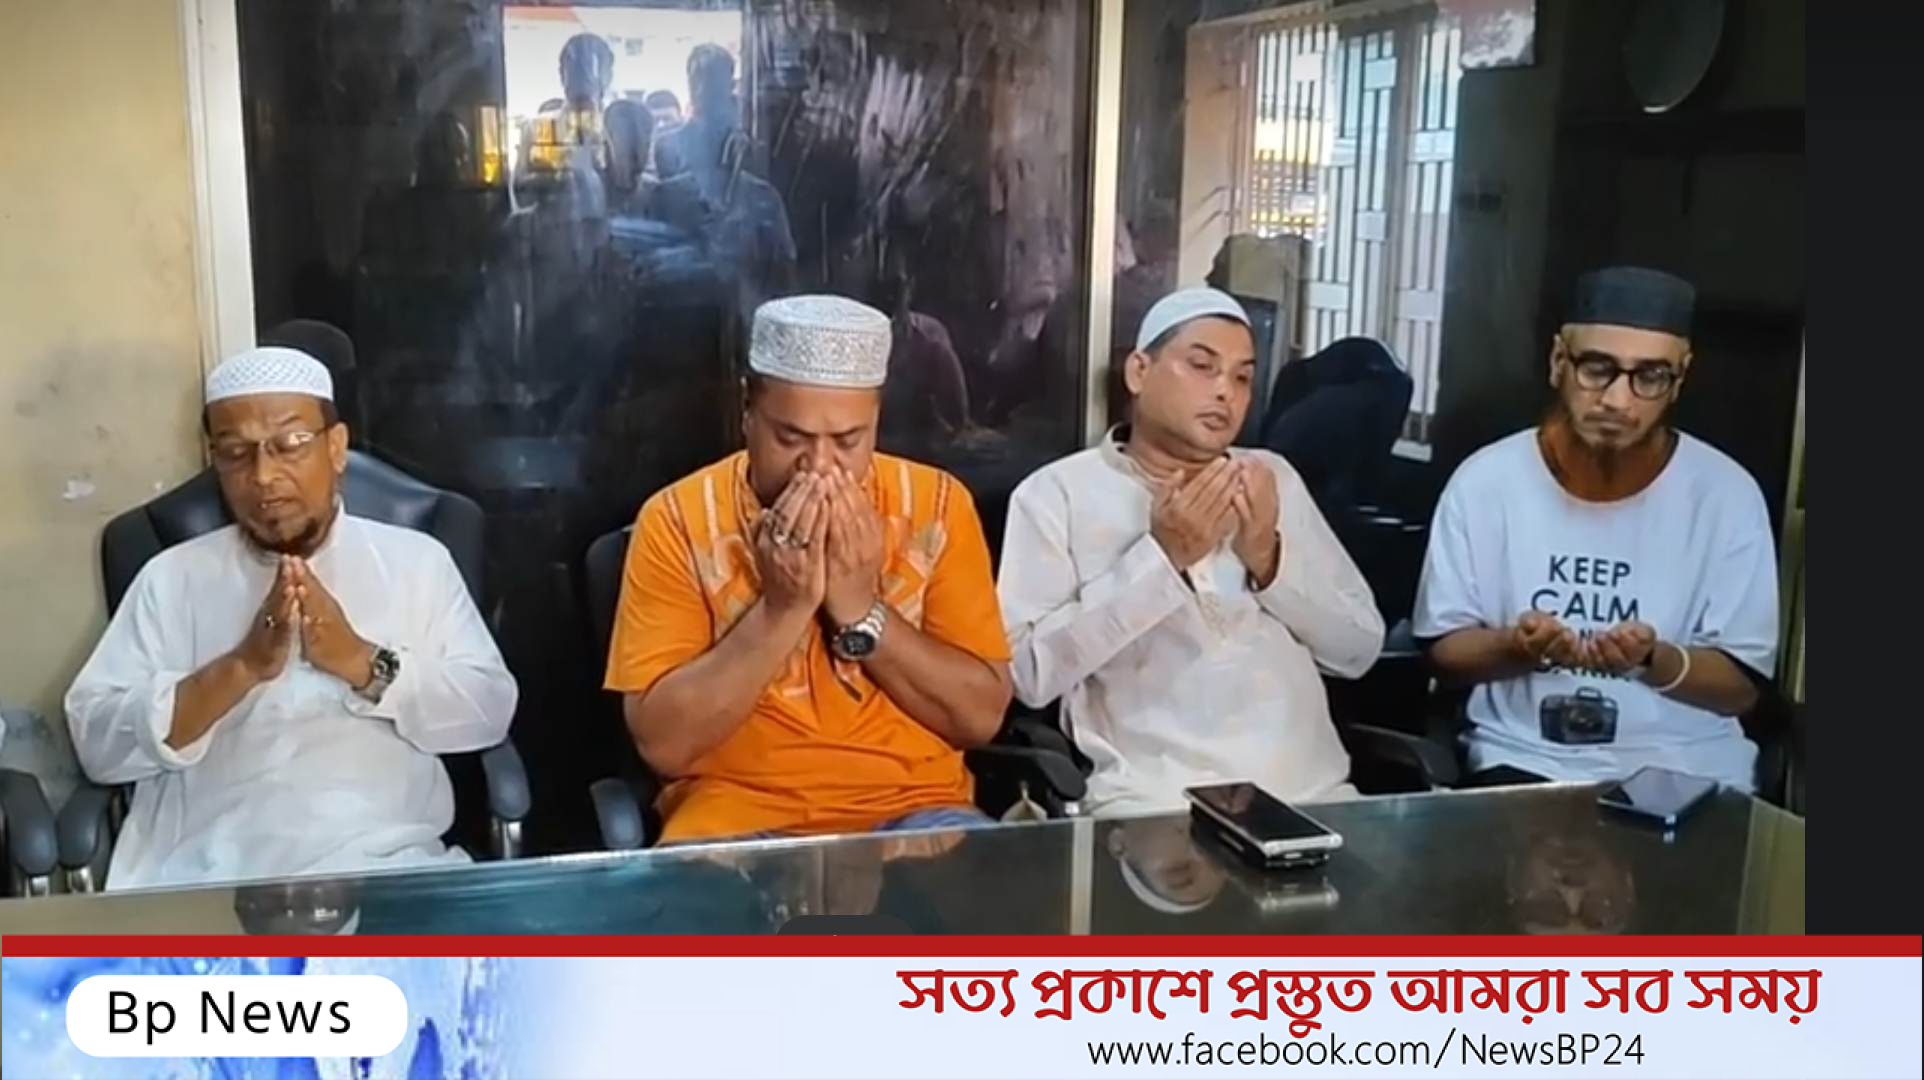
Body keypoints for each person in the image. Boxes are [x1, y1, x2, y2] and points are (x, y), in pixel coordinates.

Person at [64, 347, 518, 889]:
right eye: (236, 453)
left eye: (290, 444)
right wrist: (239, 668)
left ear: (336, 447)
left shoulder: (416, 562)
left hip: (387, 868)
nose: (263, 475)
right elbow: (97, 744)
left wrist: (362, 661)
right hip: (205, 875)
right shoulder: (172, 577)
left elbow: (489, 709)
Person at [605, 295, 1014, 843]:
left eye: (847, 441)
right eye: (790, 438)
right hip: (735, 814)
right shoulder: (675, 520)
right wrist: (783, 608)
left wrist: (862, 611)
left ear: (875, 421)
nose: (819, 467)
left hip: (918, 807)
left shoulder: (938, 506)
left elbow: (979, 719)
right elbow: (664, 746)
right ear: (747, 411)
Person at [998, 288, 1384, 816]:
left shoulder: (1271, 479)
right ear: (1139, 372)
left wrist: (1267, 559)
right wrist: (1161, 561)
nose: (1225, 391)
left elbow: (1359, 650)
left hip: (1313, 795)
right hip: (1153, 803)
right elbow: (1026, 674)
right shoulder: (1057, 494)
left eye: (1242, 377)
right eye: (1202, 366)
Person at [1413, 266, 1779, 789]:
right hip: (1523, 765)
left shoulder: (1725, 495)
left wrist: (1650, 660)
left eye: (1649, 376)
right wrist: (1520, 647)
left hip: (1688, 773)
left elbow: (1741, 689)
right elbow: (1443, 655)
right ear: (1558, 361)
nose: (1618, 400)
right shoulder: (1485, 482)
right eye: (1597, 368)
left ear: (1679, 379)